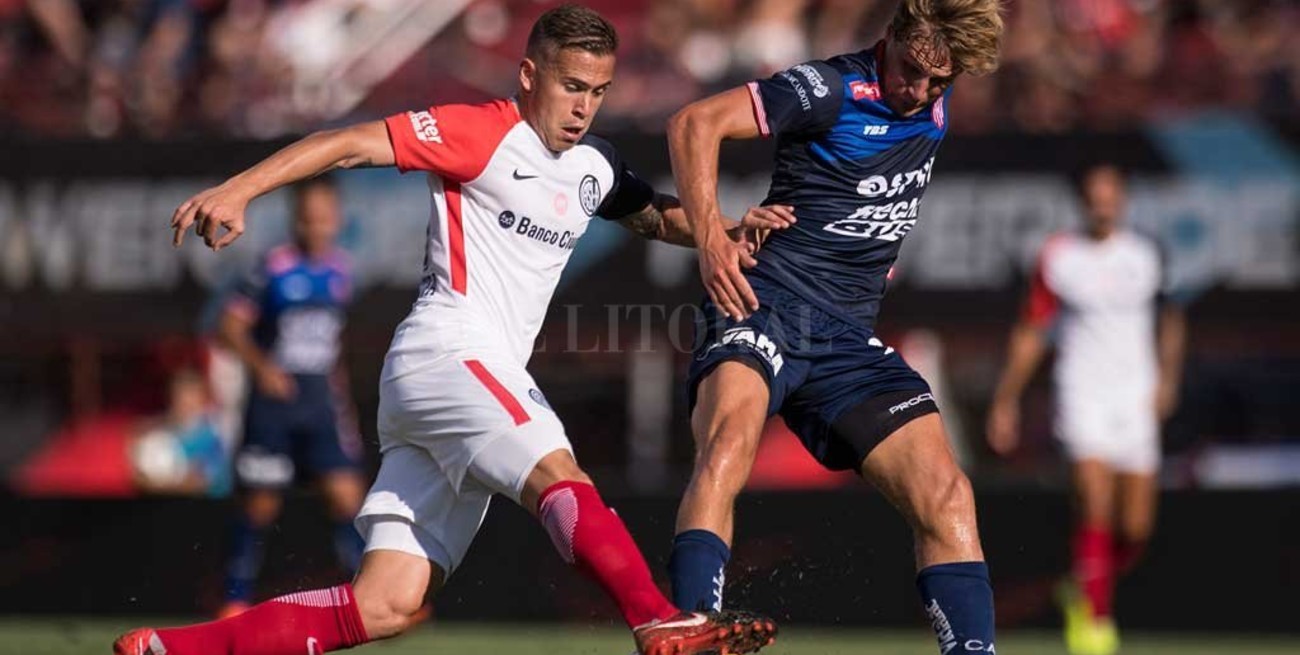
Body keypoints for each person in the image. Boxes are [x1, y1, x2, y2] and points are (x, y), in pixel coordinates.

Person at [114, 6, 785, 655]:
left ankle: (165, 647)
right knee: (558, 468)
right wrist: (240, 189)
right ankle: (658, 619)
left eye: (599, 91)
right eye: (572, 86)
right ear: (528, 75)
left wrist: (725, 230)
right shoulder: (480, 132)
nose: (584, 106)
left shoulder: (595, 166)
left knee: (386, 604)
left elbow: (655, 217)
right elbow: (346, 144)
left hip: (455, 385)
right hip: (450, 350)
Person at [663, 1, 1004, 653]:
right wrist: (711, 237)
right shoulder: (828, 88)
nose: (921, 92)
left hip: (846, 336)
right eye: (912, 72)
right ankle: (690, 632)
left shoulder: (932, 88)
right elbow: (693, 122)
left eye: (941, 82)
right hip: (764, 299)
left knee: (947, 493)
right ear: (891, 39)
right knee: (729, 442)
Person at [986, 164, 1187, 655]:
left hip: (1134, 399)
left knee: (1135, 530)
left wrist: (1167, 380)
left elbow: (1170, 320)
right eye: (1093, 195)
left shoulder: (1146, 254)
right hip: (1081, 395)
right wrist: (1006, 400)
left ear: (1122, 200)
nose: (1102, 204)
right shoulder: (1060, 256)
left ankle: (1083, 585)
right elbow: (1031, 330)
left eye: (1110, 194)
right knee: (1093, 506)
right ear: (1082, 201)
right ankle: (1095, 624)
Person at [215, 176, 367, 618]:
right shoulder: (271, 268)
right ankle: (234, 597)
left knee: (346, 496)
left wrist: (342, 400)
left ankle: (362, 599)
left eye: (324, 217)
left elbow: (333, 346)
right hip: (274, 405)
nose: (315, 225)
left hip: (320, 401)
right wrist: (263, 368)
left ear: (336, 219)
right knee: (260, 503)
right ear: (295, 218)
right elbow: (229, 327)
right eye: (307, 217)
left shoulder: (341, 272)